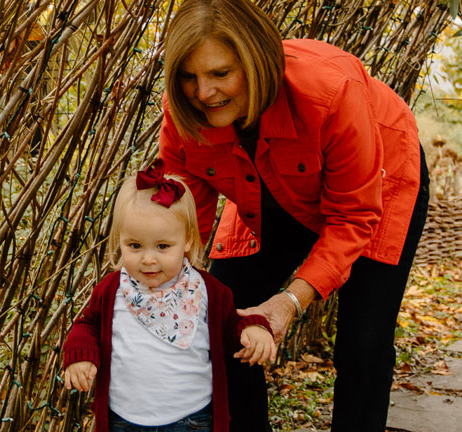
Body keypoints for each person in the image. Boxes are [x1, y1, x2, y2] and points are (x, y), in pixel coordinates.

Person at [156, 0, 431, 430]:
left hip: (376, 181)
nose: (204, 93)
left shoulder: (332, 91)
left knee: (363, 343)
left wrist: (290, 301)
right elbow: (180, 219)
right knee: (225, 320)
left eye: (220, 74)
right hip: (266, 191)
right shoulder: (184, 115)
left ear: (255, 62)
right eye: (190, 77)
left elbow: (352, 216)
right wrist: (169, 290)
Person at [61, 161, 278, 432]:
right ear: (120, 241)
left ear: (187, 241)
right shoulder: (113, 290)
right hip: (123, 420)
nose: (148, 259)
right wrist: (80, 353)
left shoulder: (207, 290)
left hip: (192, 420)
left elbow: (230, 326)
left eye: (162, 246)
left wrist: (252, 328)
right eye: (135, 245)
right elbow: (88, 324)